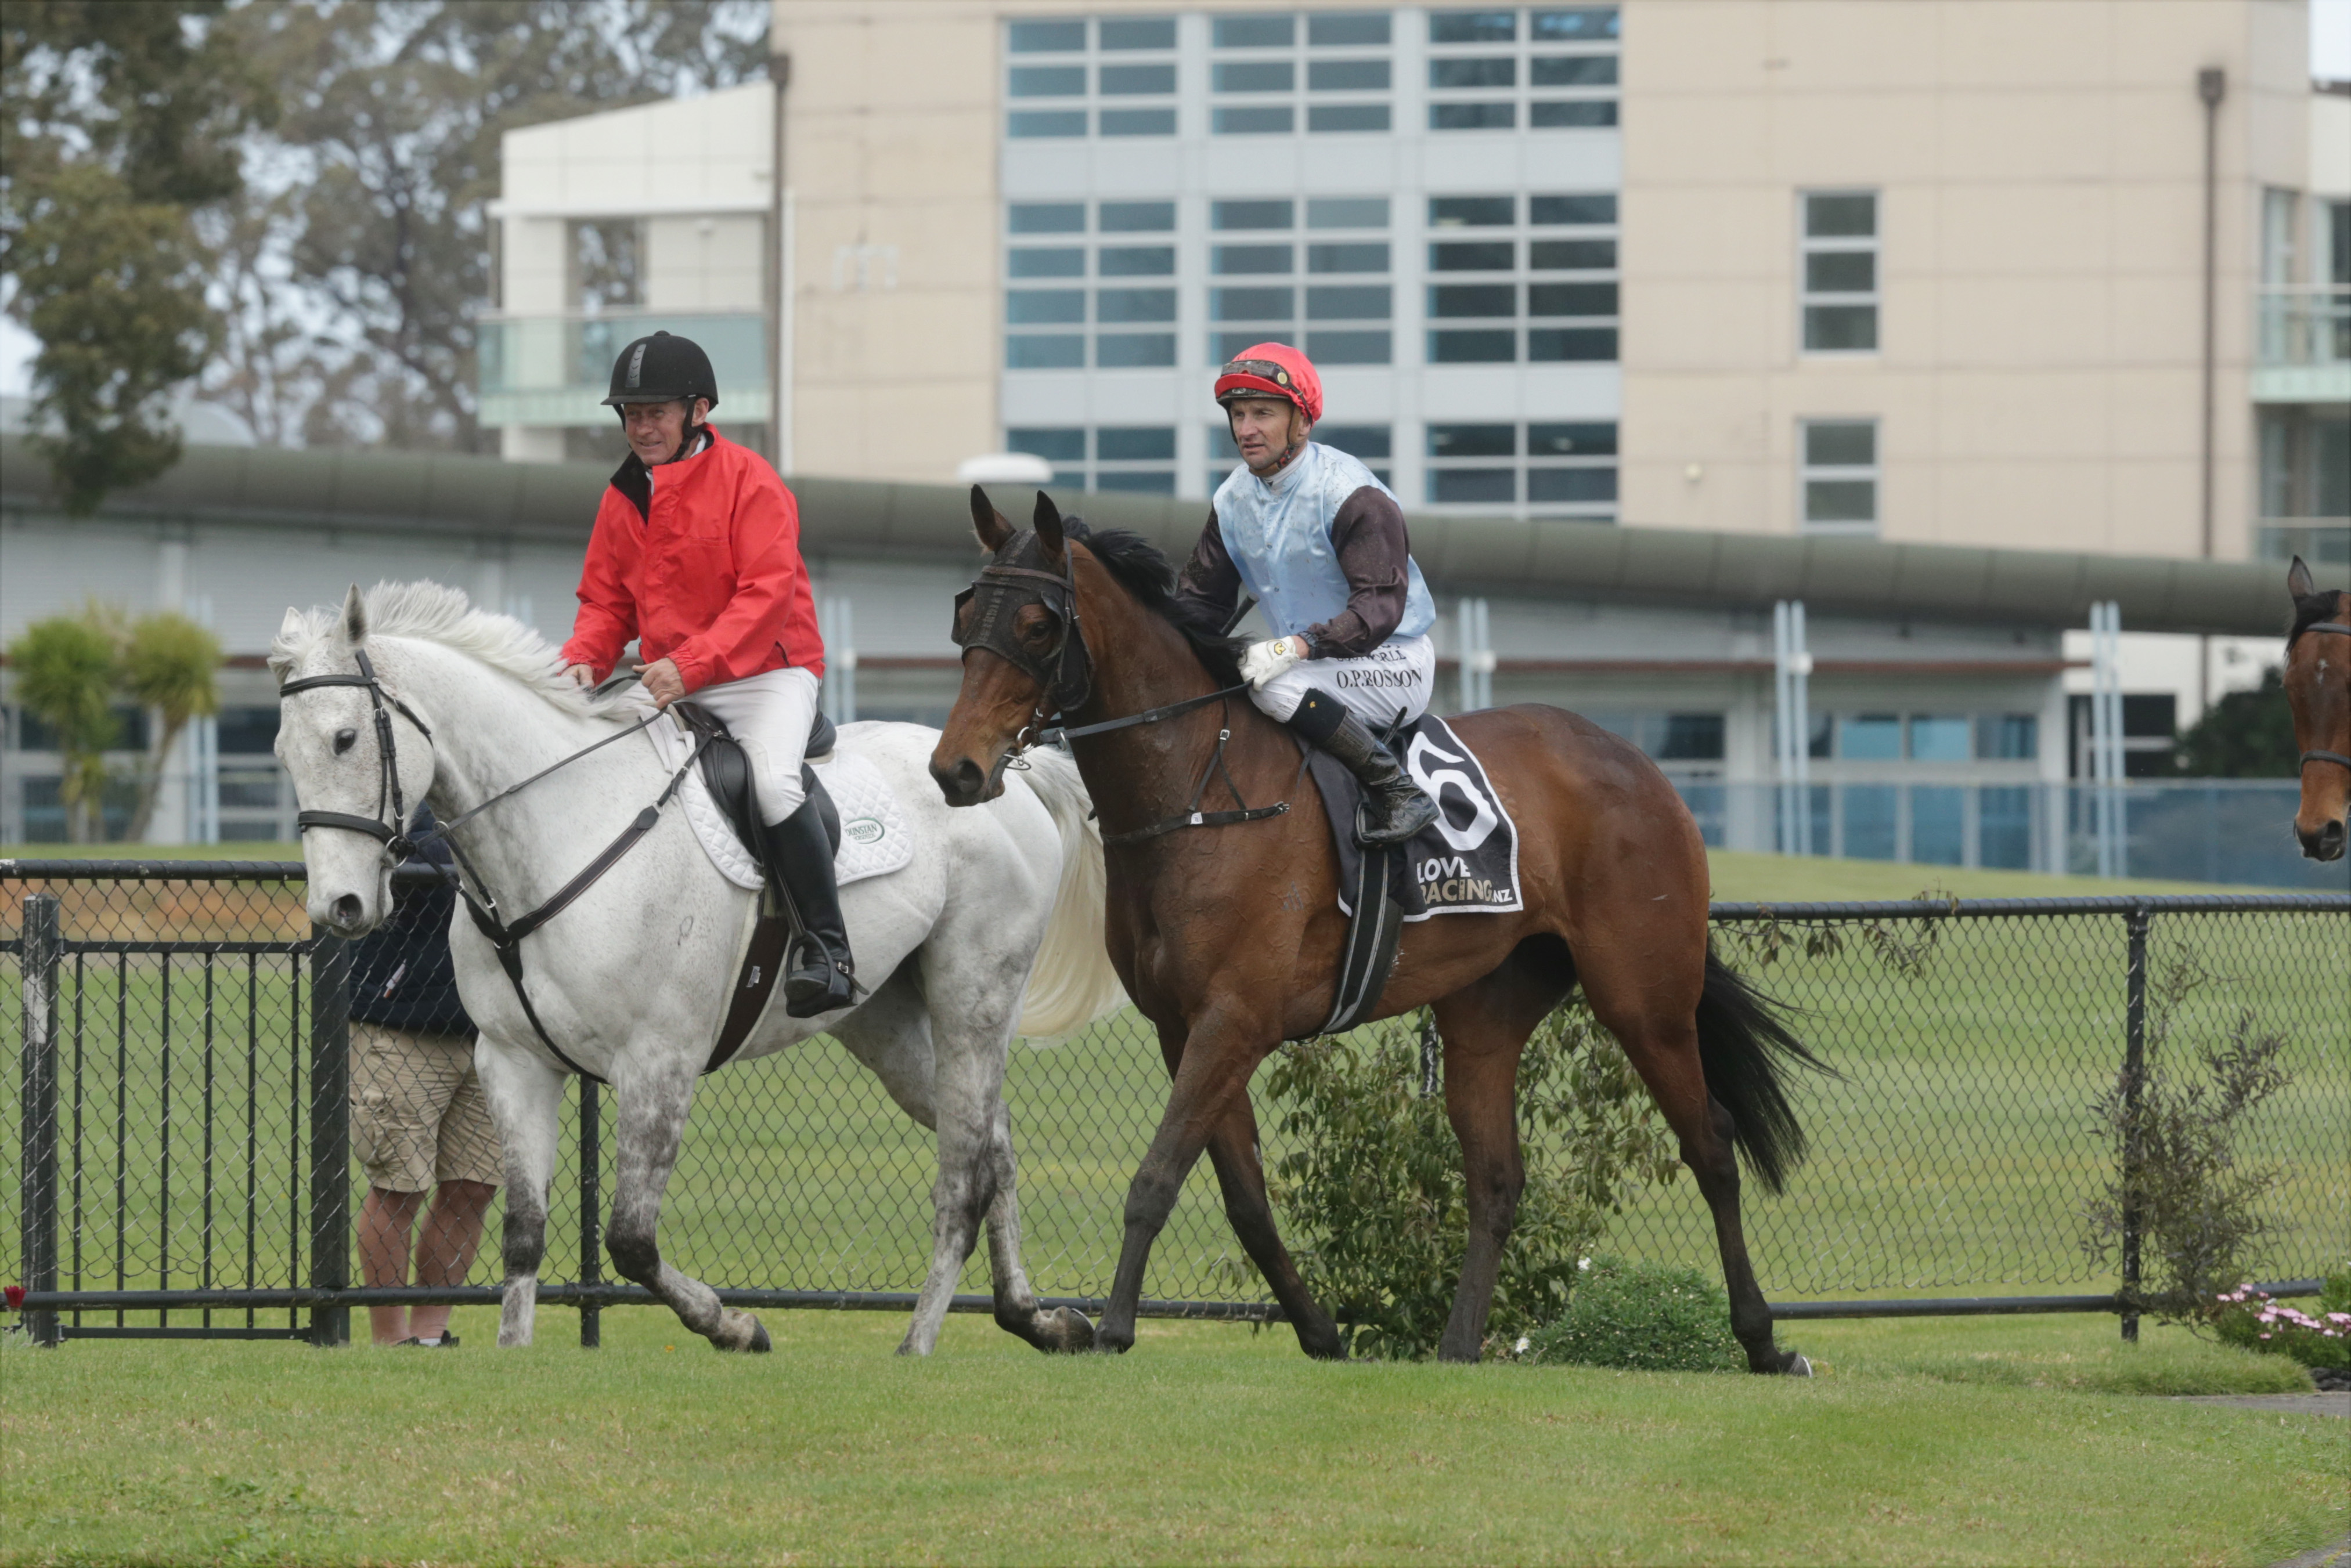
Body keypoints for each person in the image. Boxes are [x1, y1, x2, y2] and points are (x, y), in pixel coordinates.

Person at [558, 330, 854, 1015]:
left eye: (656, 413)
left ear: (697, 411)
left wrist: (689, 666)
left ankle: (828, 949)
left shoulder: (752, 480)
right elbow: (605, 604)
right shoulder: (622, 497)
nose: (642, 427)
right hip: (671, 676)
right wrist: (578, 665)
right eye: (632, 414)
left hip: (767, 672)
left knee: (774, 784)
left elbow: (765, 596)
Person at [1174, 342, 1443, 846]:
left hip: (1392, 660)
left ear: (1301, 422)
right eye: (1238, 415)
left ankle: (1400, 791)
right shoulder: (1232, 499)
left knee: (1270, 688)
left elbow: (1378, 608)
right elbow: (1199, 604)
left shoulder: (1350, 493)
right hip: (1311, 664)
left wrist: (1298, 646)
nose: (1246, 429)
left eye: (1262, 414)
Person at [349, 807, 500, 1347]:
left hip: (492, 1033)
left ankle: (431, 1335)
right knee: (400, 1186)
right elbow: (394, 860)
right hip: (399, 1024)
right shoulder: (398, 800)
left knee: (474, 1186)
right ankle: (391, 1340)